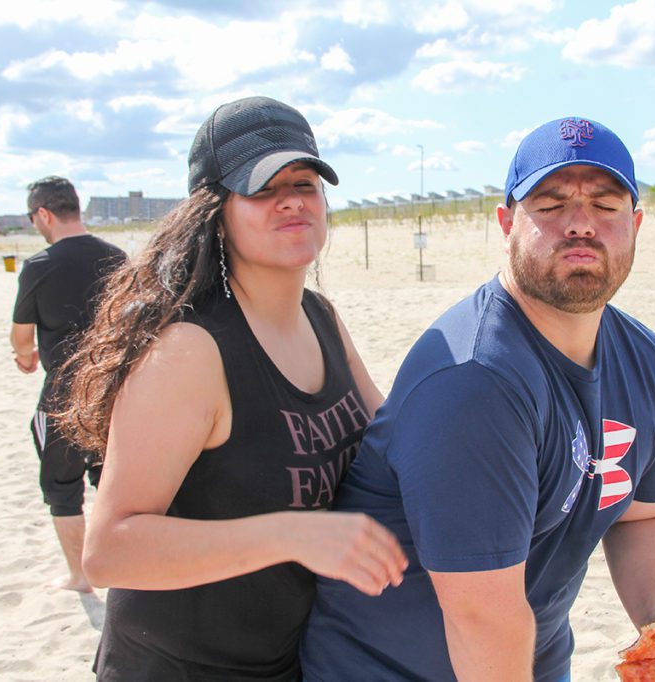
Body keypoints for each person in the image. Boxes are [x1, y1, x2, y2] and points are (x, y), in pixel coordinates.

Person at [302, 117, 655, 681]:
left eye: (605, 205)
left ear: (636, 224)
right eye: (550, 205)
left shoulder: (646, 364)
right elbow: (482, 616)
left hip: (532, 660)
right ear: (506, 223)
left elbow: (642, 518)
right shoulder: (476, 381)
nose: (581, 225)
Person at [55, 96, 407, 680]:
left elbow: (392, 443)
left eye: (305, 183)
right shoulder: (191, 351)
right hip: (177, 666)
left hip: (288, 656)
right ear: (215, 213)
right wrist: (294, 534)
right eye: (263, 188)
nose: (292, 200)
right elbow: (109, 552)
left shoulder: (322, 317)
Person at [10, 176, 127, 593]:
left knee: (60, 487)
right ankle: (121, 569)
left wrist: (27, 357)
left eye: (32, 217)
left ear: (43, 214)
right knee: (112, 481)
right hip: (113, 392)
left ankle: (80, 576)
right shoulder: (118, 257)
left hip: (63, 395)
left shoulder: (40, 266)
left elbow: (22, 338)